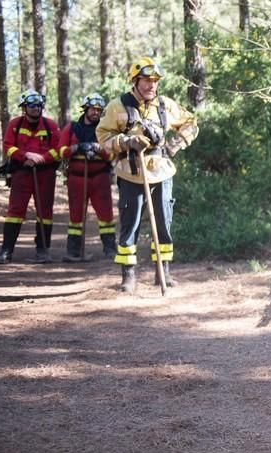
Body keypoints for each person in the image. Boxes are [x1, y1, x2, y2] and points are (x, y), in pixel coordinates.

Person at [97, 57, 199, 294]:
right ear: (134, 81)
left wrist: (177, 144)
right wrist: (125, 141)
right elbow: (102, 137)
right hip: (131, 173)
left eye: (154, 81)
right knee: (129, 225)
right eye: (146, 80)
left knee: (164, 222)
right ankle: (128, 276)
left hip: (161, 172)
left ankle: (163, 272)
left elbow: (191, 122)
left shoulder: (165, 105)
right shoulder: (117, 107)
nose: (151, 85)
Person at [0, 89, 61, 264]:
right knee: (15, 211)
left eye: (38, 105)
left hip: (45, 174)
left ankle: (43, 251)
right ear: (24, 107)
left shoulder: (50, 125)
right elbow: (8, 146)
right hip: (21, 173)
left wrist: (41, 159)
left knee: (45, 212)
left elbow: (58, 149)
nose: (36, 108)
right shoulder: (15, 124)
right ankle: (6, 252)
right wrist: (26, 157)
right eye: (31, 105)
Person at [58, 93, 117, 262]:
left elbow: (112, 154)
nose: (96, 113)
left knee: (106, 214)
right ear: (85, 109)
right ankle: (73, 251)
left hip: (100, 177)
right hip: (77, 178)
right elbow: (61, 150)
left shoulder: (105, 129)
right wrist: (76, 148)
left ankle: (110, 248)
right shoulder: (72, 128)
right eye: (93, 109)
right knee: (75, 215)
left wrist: (98, 149)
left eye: (99, 110)